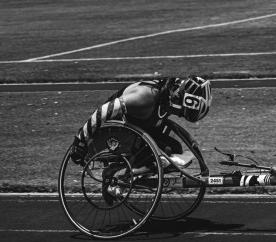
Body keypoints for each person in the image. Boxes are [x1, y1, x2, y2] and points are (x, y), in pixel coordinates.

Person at [69, 75, 211, 175]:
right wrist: (80, 141)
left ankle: (136, 173)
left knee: (175, 148)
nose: (178, 115)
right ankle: (116, 172)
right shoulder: (145, 97)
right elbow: (104, 111)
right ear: (182, 100)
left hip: (137, 128)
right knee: (163, 154)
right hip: (116, 132)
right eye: (182, 112)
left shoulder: (167, 98)